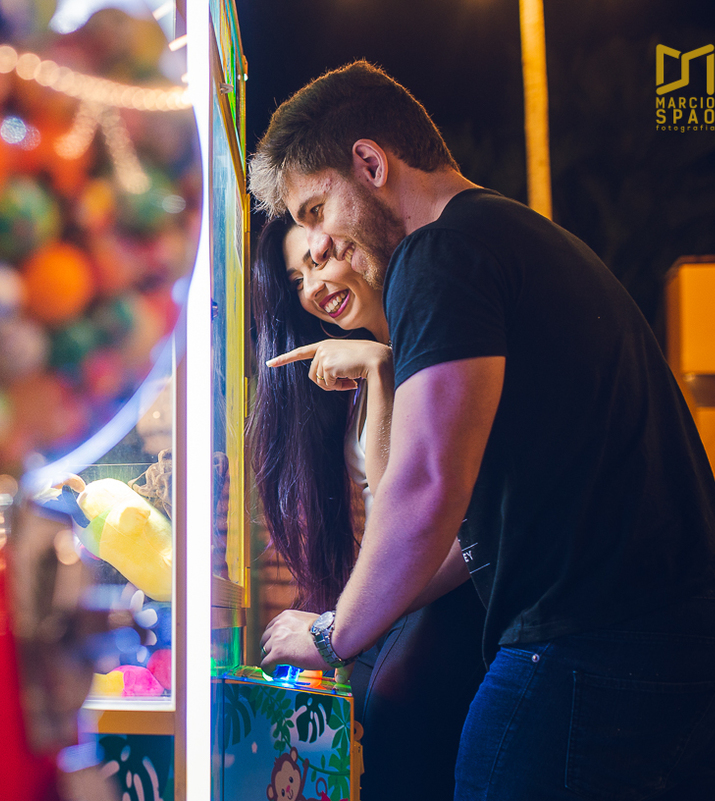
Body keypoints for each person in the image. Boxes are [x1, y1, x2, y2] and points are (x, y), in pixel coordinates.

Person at [251, 60, 715, 799]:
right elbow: (462, 531)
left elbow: (425, 484)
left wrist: (330, 634)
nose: (317, 246)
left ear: (369, 163)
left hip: (598, 646)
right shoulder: (510, 236)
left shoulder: (441, 251)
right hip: (693, 644)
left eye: (317, 210)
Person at [248, 212, 487, 800]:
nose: (313, 287)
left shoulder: (418, 350)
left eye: (321, 259)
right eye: (297, 276)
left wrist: (339, 630)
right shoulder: (375, 357)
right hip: (418, 616)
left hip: (461, 620)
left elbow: (414, 523)